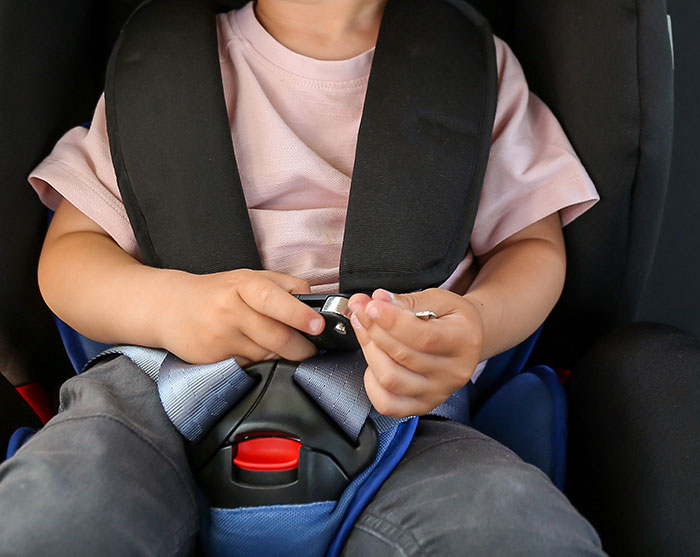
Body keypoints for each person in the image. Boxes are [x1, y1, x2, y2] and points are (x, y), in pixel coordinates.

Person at [0, 0, 605, 554]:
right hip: (160, 383)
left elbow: (529, 247)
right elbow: (72, 254)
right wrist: (170, 306)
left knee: (515, 529)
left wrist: (477, 323)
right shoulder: (161, 69)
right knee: (52, 512)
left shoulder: (471, 66)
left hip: (400, 406)